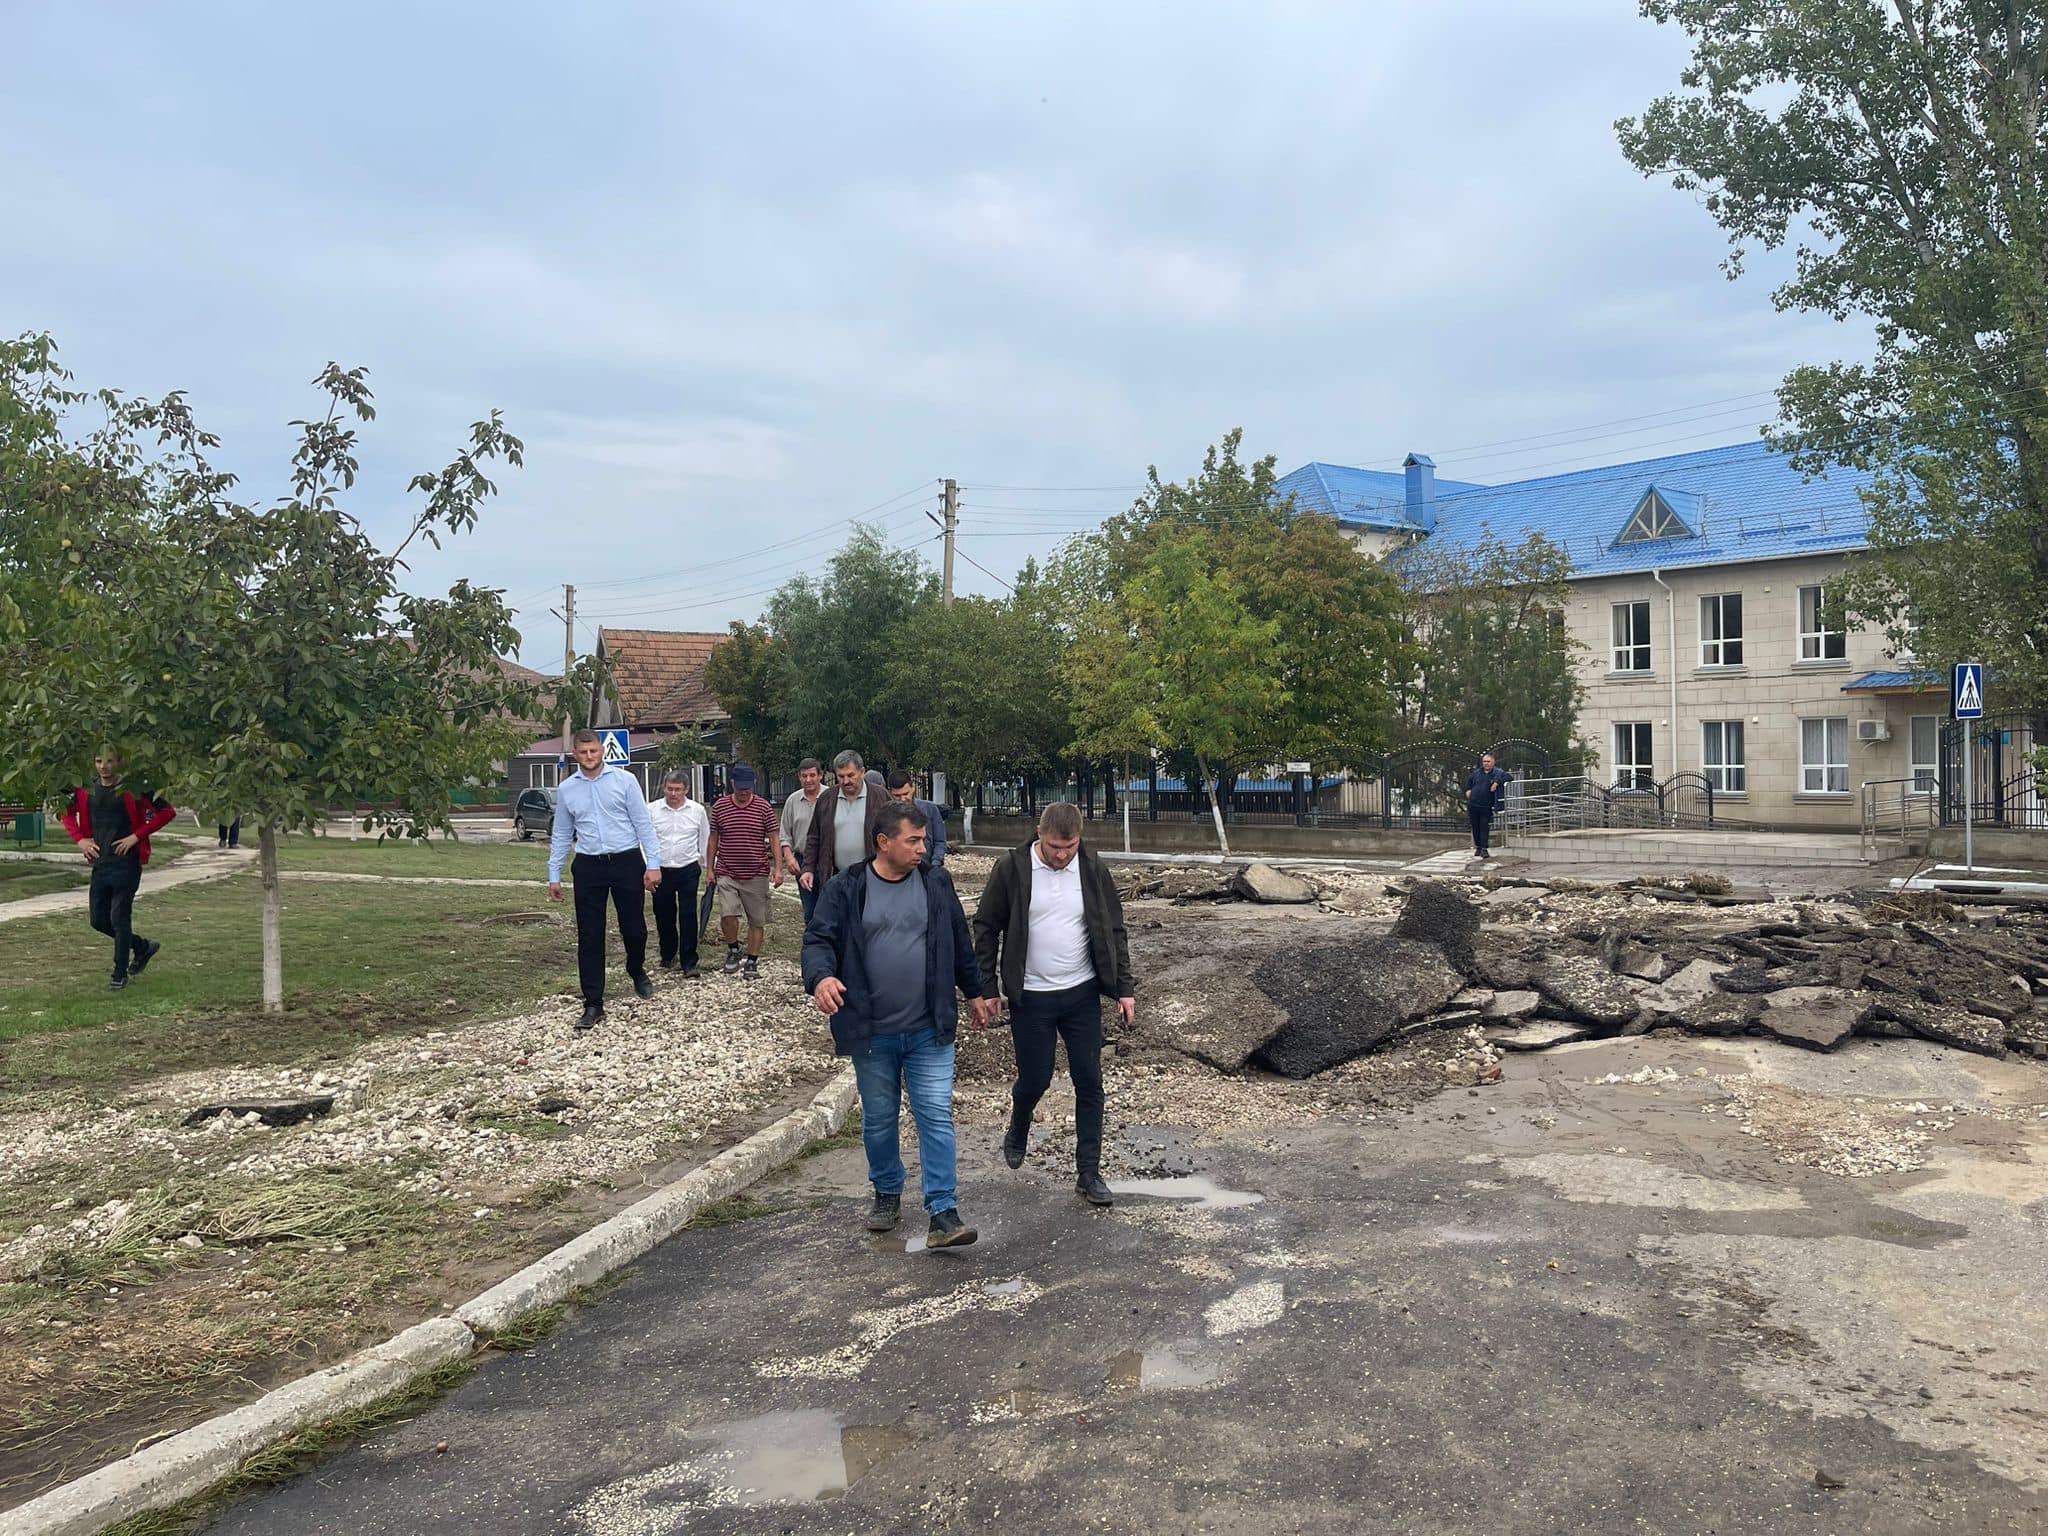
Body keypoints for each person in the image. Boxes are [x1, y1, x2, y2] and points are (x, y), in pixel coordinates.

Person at [803, 799, 989, 1248]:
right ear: (883, 843)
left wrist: (978, 993)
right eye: (914, 840)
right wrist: (822, 978)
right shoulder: (847, 888)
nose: (923, 848)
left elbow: (959, 943)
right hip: (872, 1032)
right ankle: (887, 1192)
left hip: (930, 1028)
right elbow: (818, 940)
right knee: (880, 1120)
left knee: (935, 1116)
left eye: (924, 839)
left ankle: (943, 1212)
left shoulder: (936, 883)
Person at [973, 802, 1135, 1207]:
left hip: (1081, 994)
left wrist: (1125, 989)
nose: (1062, 855)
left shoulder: (1093, 868)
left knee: (1089, 1081)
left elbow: (1115, 929)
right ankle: (1020, 1119)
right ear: (1039, 834)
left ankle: (1089, 1172)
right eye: (1055, 846)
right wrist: (988, 987)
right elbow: (986, 927)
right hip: (1031, 996)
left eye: (1070, 846)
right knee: (1036, 1079)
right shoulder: (1012, 868)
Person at [547, 729, 662, 1030]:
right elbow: (561, 833)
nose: (589, 757)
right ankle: (594, 1003)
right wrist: (553, 874)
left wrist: (654, 865)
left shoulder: (625, 781)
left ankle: (636, 968)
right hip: (589, 865)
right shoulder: (568, 789)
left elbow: (643, 825)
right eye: (583, 752)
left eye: (594, 751)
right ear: (575, 754)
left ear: (602, 751)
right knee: (589, 935)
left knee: (634, 928)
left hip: (625, 861)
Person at [60, 747, 177, 991]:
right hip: (101, 864)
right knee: (98, 920)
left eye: (110, 761)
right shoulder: (85, 789)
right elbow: (66, 813)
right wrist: (80, 839)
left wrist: (136, 836)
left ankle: (119, 973)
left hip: (127, 863)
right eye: (99, 760)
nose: (104, 766)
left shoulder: (134, 788)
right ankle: (143, 947)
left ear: (119, 763)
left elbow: (167, 812)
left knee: (119, 918)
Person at [705, 765, 783, 979]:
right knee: (727, 914)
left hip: (756, 872)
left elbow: (775, 838)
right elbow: (713, 839)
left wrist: (778, 868)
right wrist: (710, 869)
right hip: (727, 870)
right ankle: (733, 948)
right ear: (732, 784)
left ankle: (752, 960)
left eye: (747, 789)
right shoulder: (720, 807)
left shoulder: (764, 807)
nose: (743, 793)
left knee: (756, 920)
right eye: (740, 789)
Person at [647, 770, 710, 974]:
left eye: (677, 790)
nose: (673, 794)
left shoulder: (697, 811)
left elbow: (705, 840)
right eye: (669, 789)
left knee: (688, 914)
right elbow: (644, 840)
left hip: (688, 868)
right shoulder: (652, 810)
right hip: (661, 869)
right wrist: (648, 867)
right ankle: (667, 953)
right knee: (663, 914)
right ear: (664, 787)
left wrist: (708, 868)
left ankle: (689, 961)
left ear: (686, 790)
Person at [801, 749, 886, 896]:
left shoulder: (880, 797)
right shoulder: (826, 799)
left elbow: (893, 833)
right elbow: (814, 837)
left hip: (873, 878)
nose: (846, 781)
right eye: (841, 776)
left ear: (862, 772)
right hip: (836, 877)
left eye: (850, 775)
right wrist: (808, 868)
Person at [780, 757, 827, 927]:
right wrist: (789, 857)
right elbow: (784, 833)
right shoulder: (792, 800)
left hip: (827, 860)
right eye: (804, 776)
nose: (808, 780)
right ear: (799, 777)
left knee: (828, 907)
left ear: (820, 775)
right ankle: (812, 946)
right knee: (809, 910)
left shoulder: (831, 796)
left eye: (812, 775)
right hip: (803, 860)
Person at [884, 769, 947, 871]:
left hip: (928, 867)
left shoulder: (929, 809)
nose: (902, 799)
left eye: (905, 794)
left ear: (912, 788)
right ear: (889, 793)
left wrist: (935, 864)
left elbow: (940, 841)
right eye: (897, 796)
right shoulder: (885, 814)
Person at [1463, 752, 1512, 860]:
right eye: (1484, 761)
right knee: (1475, 827)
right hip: (1473, 804)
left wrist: (1497, 782)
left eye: (1488, 761)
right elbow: (1468, 783)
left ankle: (1484, 848)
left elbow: (1509, 777)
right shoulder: (1477, 773)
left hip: (1486, 805)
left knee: (1484, 826)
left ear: (1493, 762)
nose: (1486, 764)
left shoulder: (1498, 773)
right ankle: (1478, 847)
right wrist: (1468, 790)